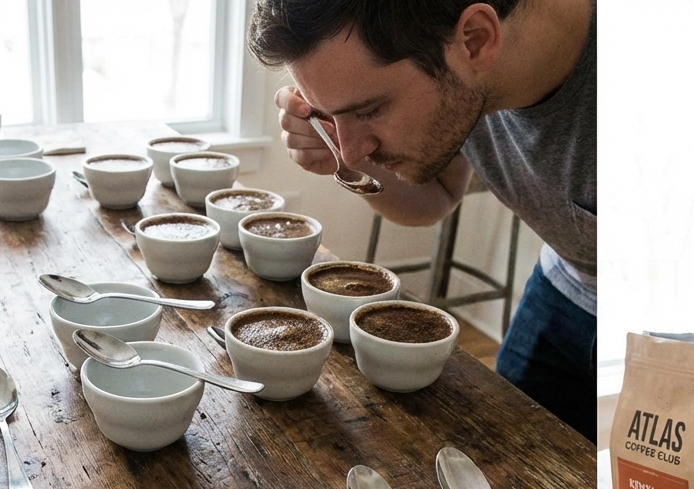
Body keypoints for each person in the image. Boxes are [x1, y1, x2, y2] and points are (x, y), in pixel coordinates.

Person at [247, 0, 597, 441]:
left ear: (476, 39)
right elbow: (435, 197)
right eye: (331, 115)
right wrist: (338, 149)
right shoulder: (455, 58)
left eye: (369, 110)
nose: (351, 151)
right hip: (564, 283)